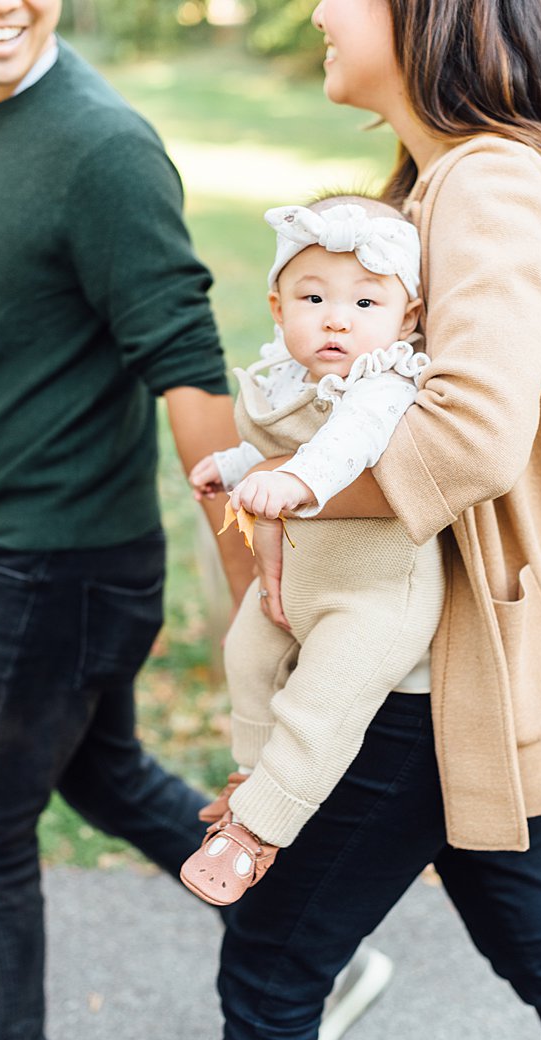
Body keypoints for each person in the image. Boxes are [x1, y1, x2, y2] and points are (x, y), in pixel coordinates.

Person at [195, 0, 541, 1040]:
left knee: (273, 963)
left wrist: (276, 498)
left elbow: (468, 434)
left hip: (424, 671)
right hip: (448, 655)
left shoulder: (486, 185)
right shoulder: (446, 187)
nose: (314, 13)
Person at [0, 5, 262, 1040]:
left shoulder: (102, 147)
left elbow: (191, 378)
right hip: (19, 539)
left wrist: (260, 590)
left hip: (70, 561)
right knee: (100, 772)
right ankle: (309, 942)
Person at [179, 196, 442, 905]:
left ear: (406, 318)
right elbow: (277, 444)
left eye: (364, 300)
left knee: (322, 703)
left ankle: (258, 832)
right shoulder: (285, 382)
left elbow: (341, 448)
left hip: (378, 595)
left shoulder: (384, 383)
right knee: (247, 654)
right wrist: (238, 465)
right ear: (277, 305)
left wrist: (292, 480)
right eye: (314, 296)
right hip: (299, 581)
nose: (336, 317)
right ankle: (251, 775)